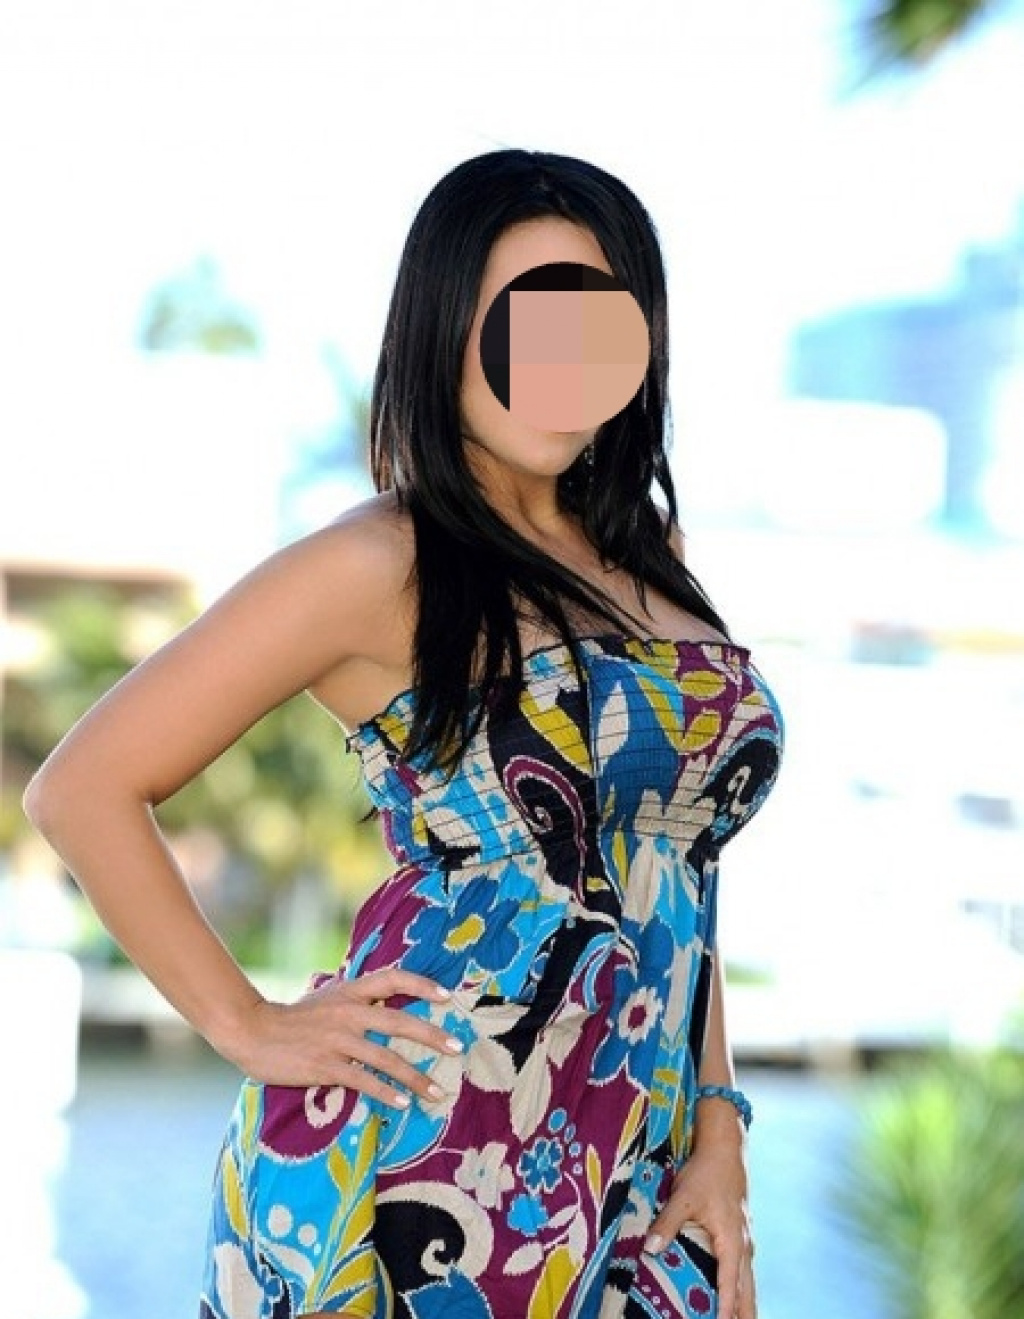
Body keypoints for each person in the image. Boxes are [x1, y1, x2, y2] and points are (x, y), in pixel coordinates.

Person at [23, 148, 784, 1319]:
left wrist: (720, 1124)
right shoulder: (380, 560)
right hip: (434, 1148)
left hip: (640, 1159)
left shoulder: (652, 561)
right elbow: (83, 787)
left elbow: (673, 863)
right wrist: (247, 1022)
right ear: (445, 329)